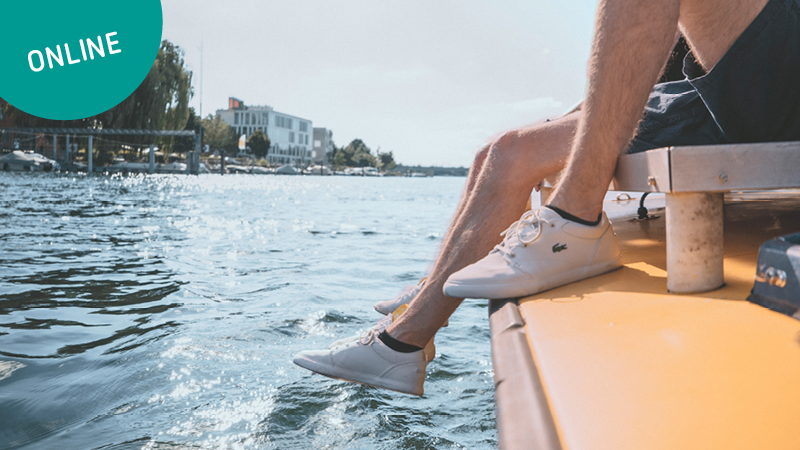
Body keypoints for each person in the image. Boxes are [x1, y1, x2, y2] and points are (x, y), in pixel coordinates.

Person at [294, 0, 800, 396]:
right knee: (500, 151)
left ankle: (408, 338)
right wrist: (566, 125)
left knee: (515, 157)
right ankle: (423, 299)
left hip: (769, 88)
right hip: (740, 76)